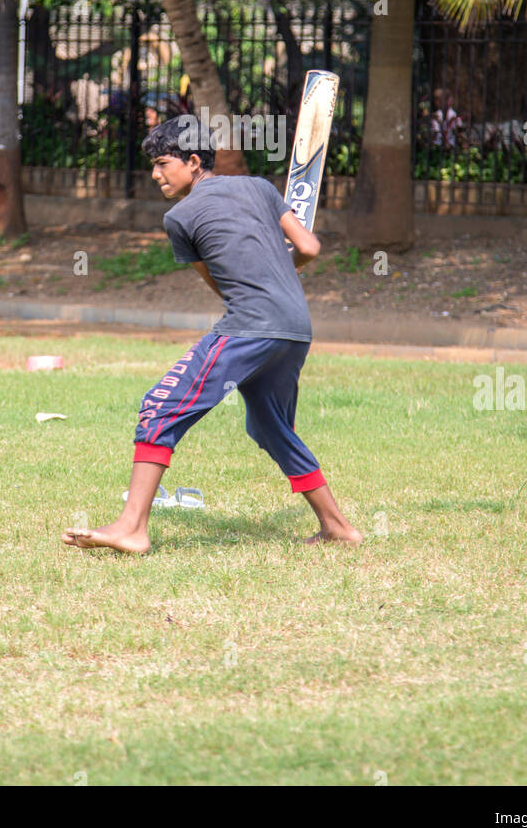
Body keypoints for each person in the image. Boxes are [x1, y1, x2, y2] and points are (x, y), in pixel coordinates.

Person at [62, 114, 363, 555]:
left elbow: (223, 288)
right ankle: (338, 528)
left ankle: (132, 528)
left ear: (195, 160)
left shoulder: (180, 217)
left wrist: (260, 272)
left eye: (163, 163)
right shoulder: (260, 187)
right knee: (270, 428)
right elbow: (310, 248)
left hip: (250, 326)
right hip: (295, 328)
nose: (155, 174)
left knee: (160, 406)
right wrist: (276, 266)